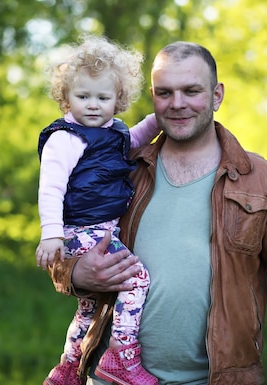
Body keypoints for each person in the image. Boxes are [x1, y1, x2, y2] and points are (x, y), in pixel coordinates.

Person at [50, 42, 267, 385]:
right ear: (153, 96)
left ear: (216, 95)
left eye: (191, 91)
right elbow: (66, 241)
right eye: (165, 92)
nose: (178, 103)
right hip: (112, 380)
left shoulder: (261, 179)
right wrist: (76, 273)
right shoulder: (122, 168)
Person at [36, 35, 161, 385]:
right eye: (83, 96)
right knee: (136, 278)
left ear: (118, 100)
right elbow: (51, 187)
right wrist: (52, 234)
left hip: (100, 229)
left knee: (89, 307)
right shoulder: (66, 138)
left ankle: (68, 368)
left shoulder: (112, 131)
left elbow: (132, 140)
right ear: (66, 97)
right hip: (82, 228)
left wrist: (156, 122)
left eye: (103, 98)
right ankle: (121, 355)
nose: (93, 105)